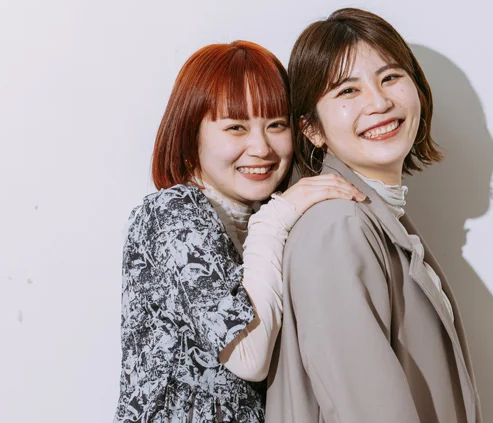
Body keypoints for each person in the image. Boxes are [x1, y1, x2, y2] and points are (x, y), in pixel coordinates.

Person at [113, 40, 365, 423]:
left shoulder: (261, 222)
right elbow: (249, 357)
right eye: (236, 127)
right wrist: (275, 219)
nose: (261, 147)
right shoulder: (173, 212)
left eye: (276, 125)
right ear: (190, 134)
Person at [266, 9, 482, 423]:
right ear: (312, 129)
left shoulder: (373, 217)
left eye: (390, 77)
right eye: (348, 90)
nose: (379, 103)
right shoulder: (339, 227)